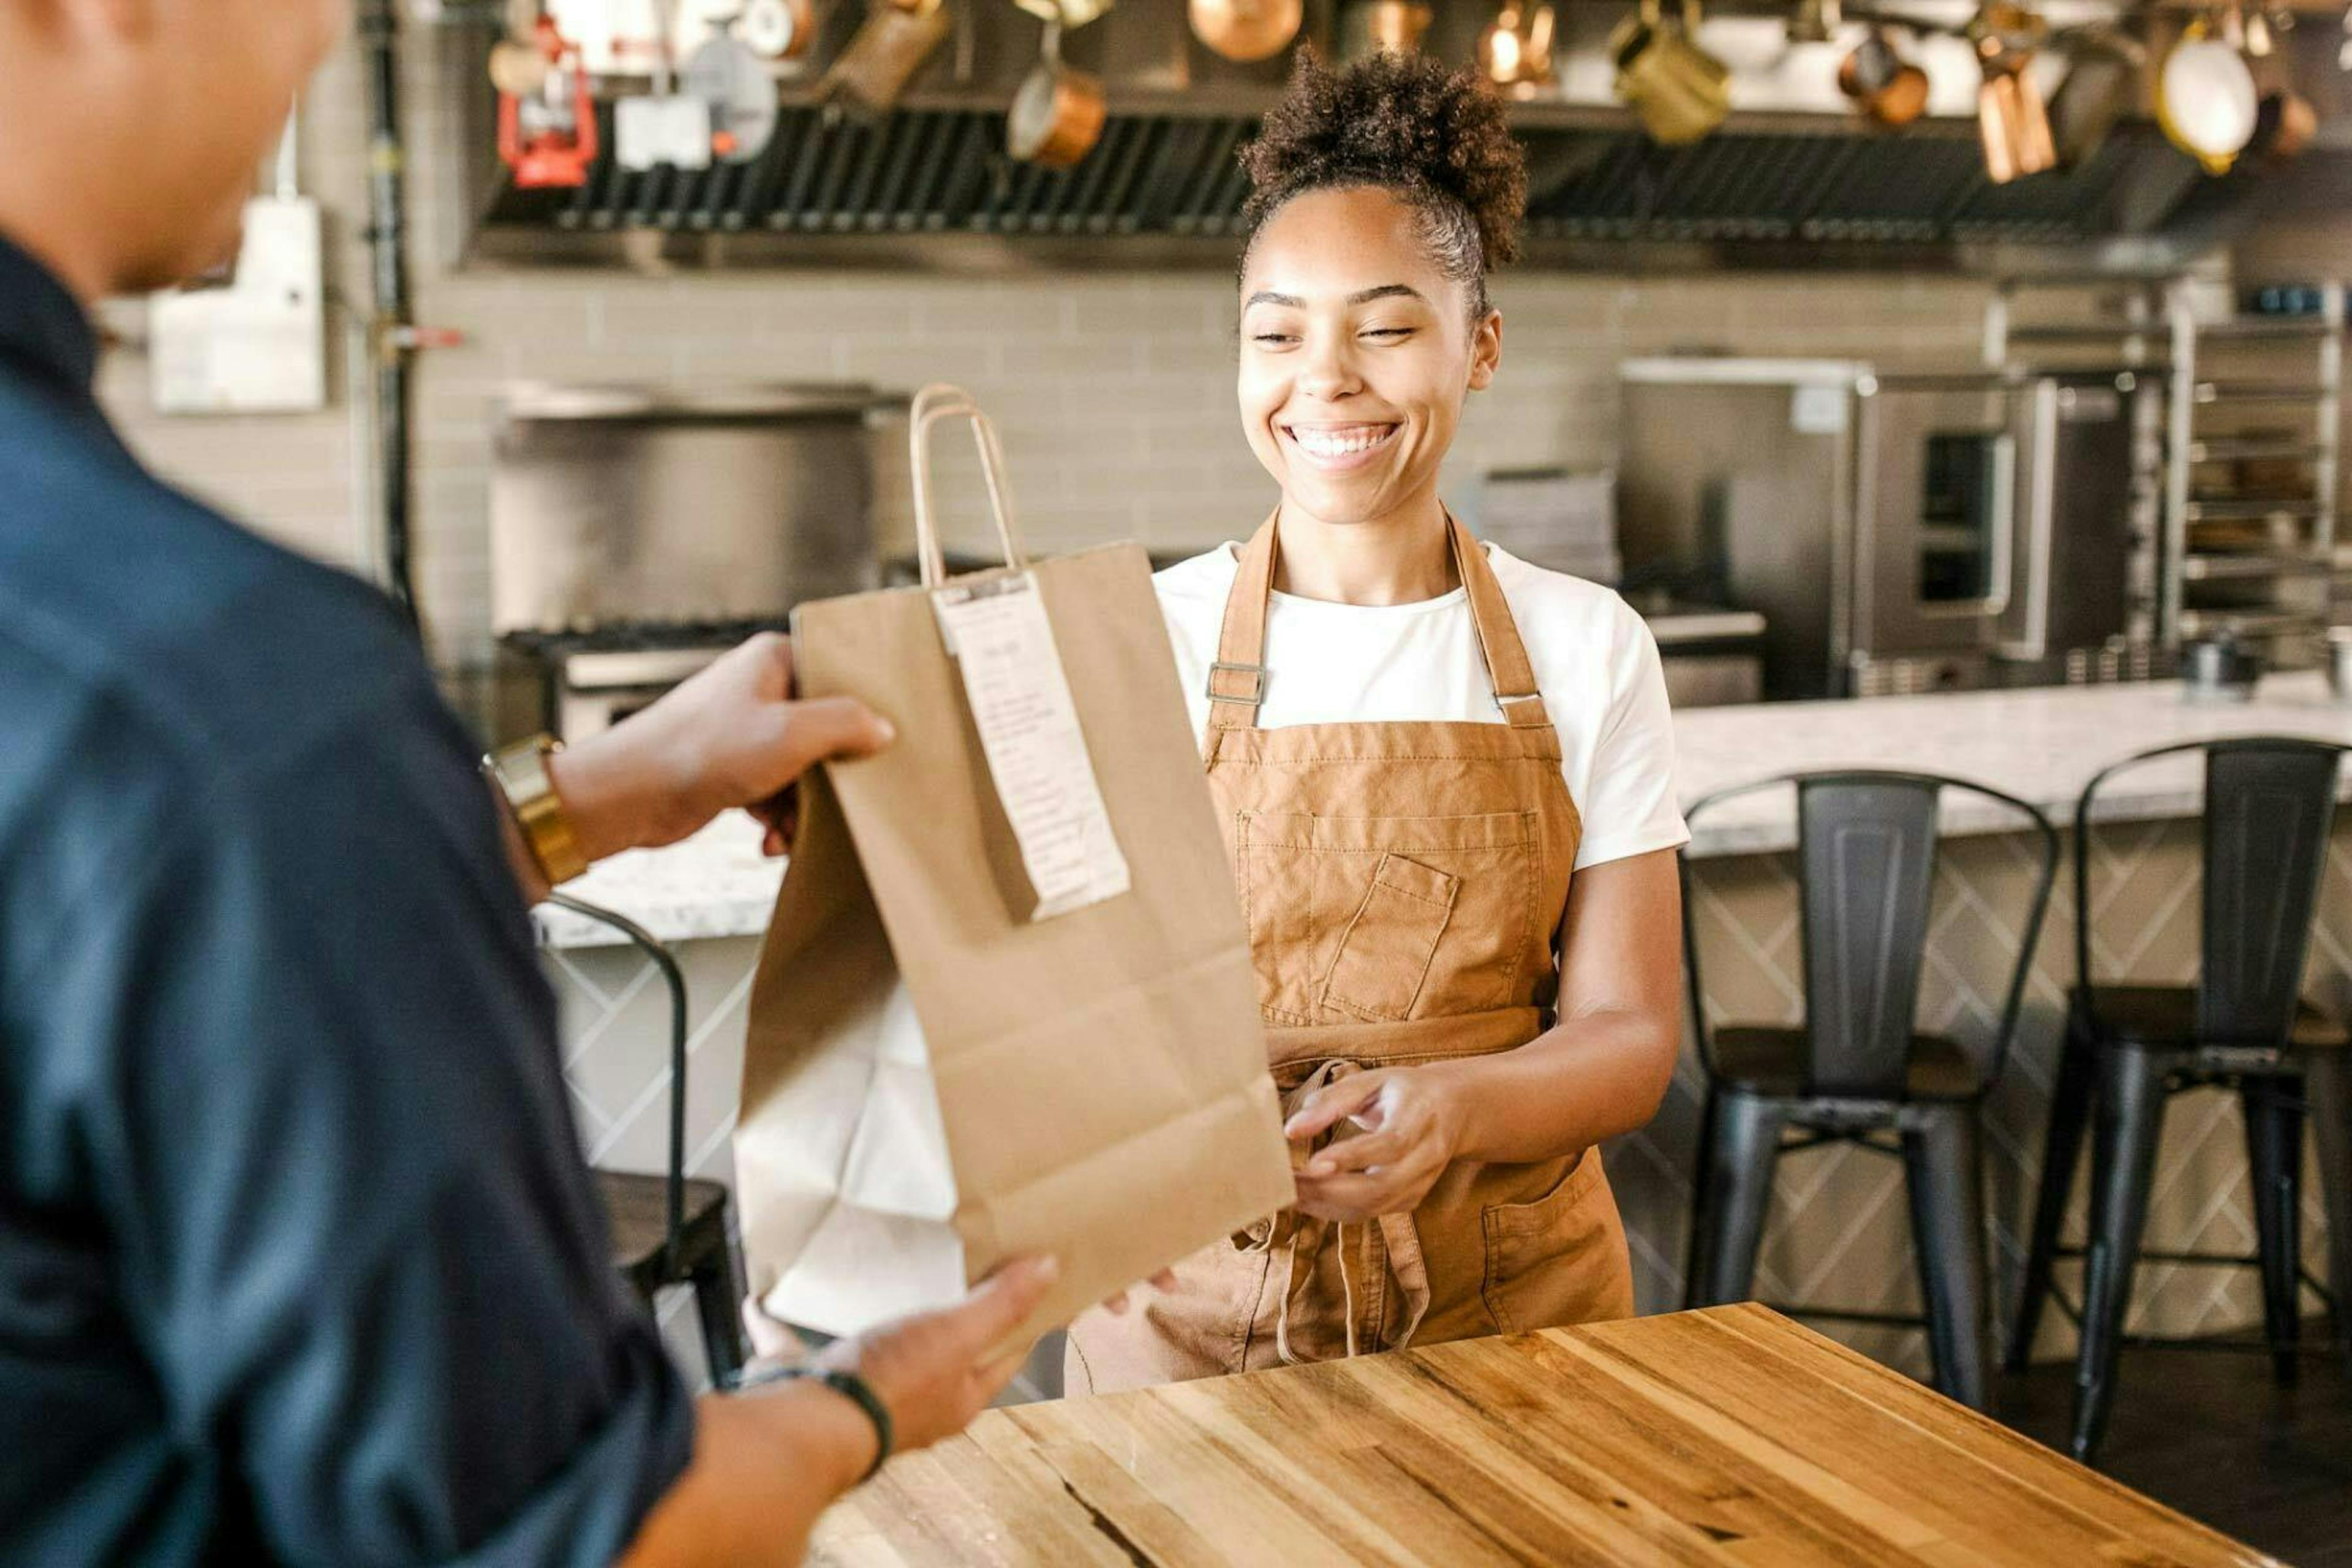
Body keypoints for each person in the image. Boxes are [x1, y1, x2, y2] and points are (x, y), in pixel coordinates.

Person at [0, 4, 1107, 1564]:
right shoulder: (241, 698)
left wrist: (583, 794)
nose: (324, 36)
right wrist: (865, 1403)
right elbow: (595, 1539)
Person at [1065, 52, 1689, 1393]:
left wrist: (1458, 1108)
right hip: (1193, 1317)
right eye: (1278, 332)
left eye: (1386, 327)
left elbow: (1631, 1036)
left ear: (1482, 342)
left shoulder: (1588, 647)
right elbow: (1061, 1022)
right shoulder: (1134, 642)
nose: (1325, 380)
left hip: (1520, 1315)